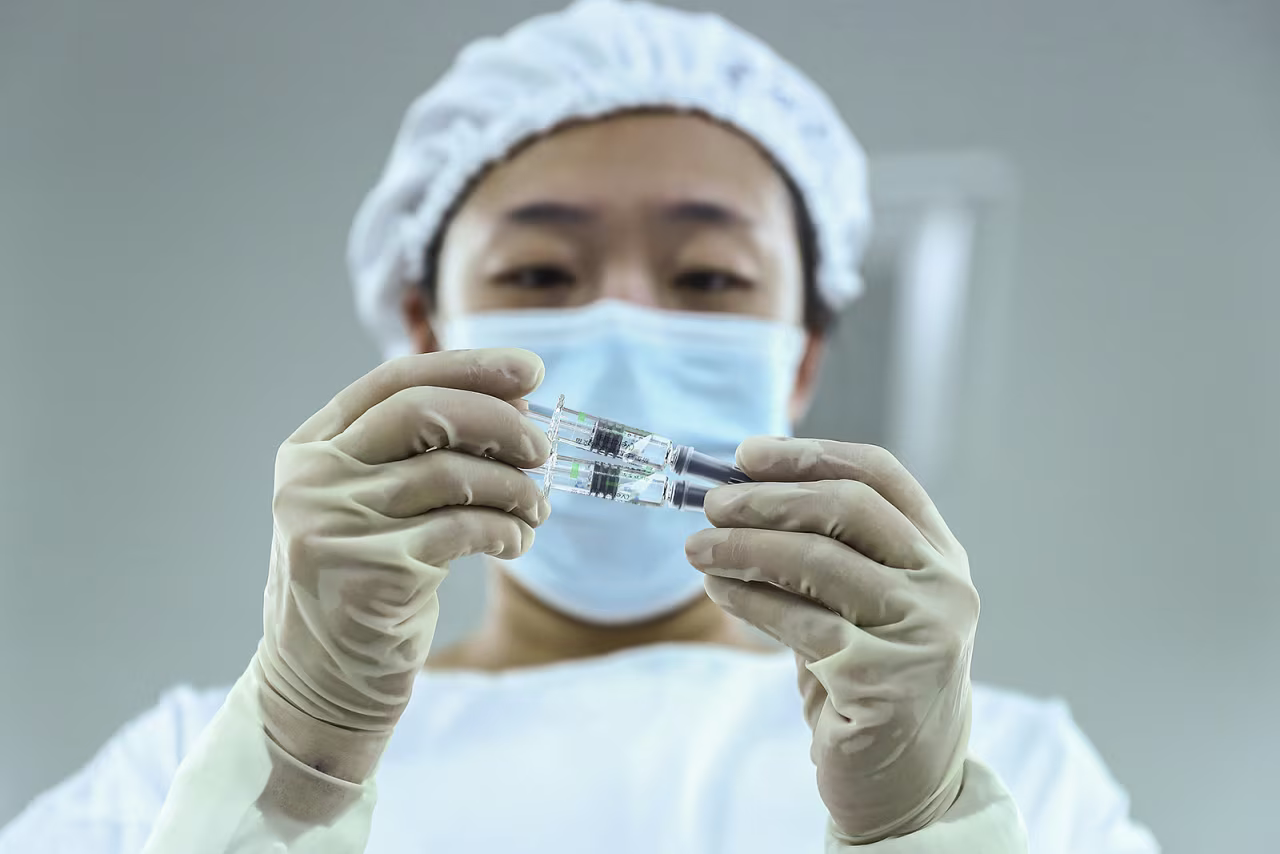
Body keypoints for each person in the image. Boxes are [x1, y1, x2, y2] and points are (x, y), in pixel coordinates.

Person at [0, 2, 1160, 852]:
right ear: (422, 330)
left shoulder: (1015, 768)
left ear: (800, 354)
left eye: (706, 277)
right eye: (541, 268)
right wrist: (293, 772)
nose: (619, 325)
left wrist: (923, 825)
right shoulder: (181, 763)